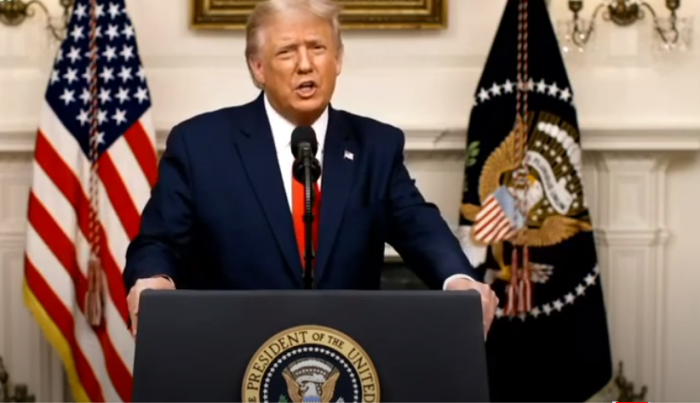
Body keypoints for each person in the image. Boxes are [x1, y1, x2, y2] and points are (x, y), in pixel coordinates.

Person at [123, 0, 498, 335]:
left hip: (347, 356)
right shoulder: (201, 144)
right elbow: (158, 241)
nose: (306, 64)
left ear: (337, 60)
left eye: (317, 48)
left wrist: (459, 279)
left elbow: (419, 224)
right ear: (257, 67)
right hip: (231, 351)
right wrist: (153, 280)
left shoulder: (375, 145)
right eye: (287, 51)